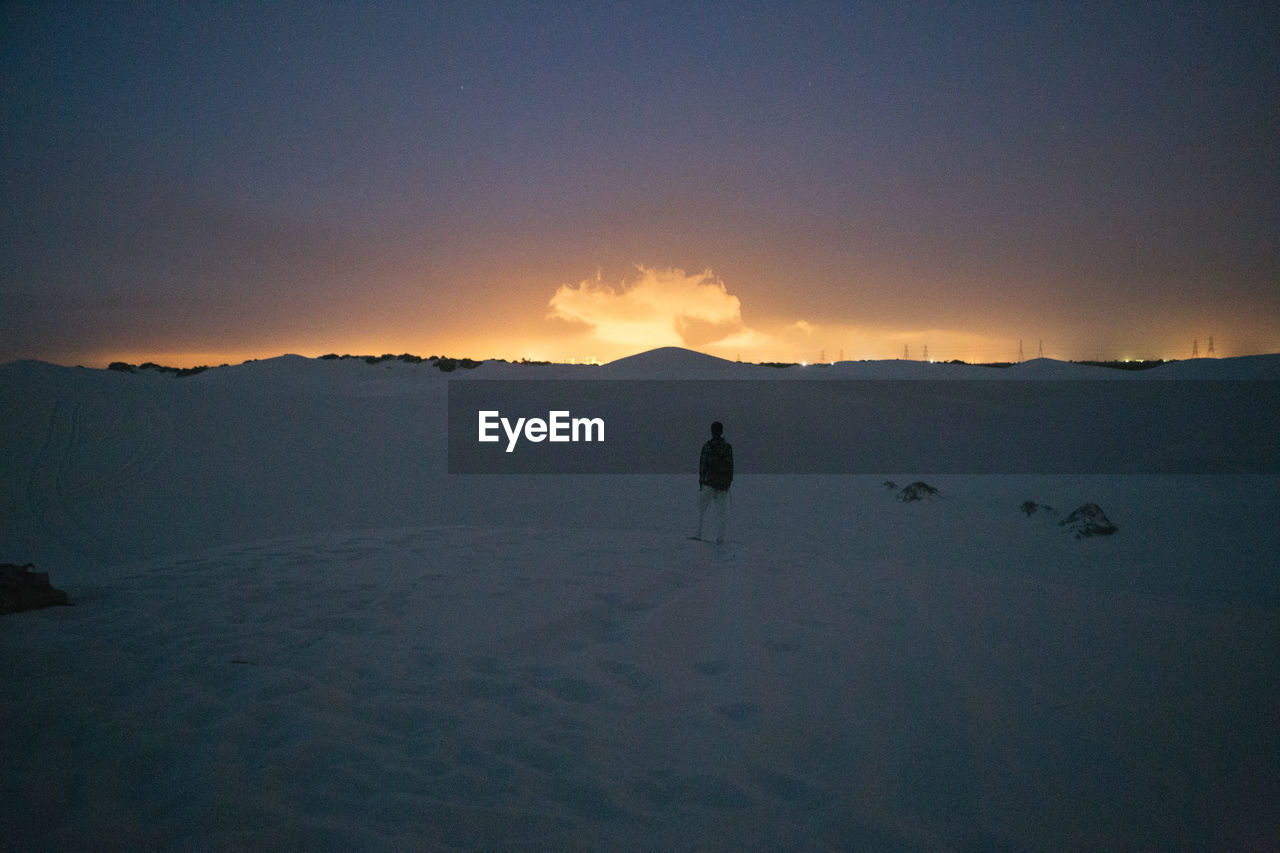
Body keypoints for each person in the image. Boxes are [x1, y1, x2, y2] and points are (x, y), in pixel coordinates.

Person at [694, 421, 733, 543]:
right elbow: (731, 466)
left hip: (709, 484)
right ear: (721, 431)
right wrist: (728, 484)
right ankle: (720, 539)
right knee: (722, 515)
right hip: (722, 485)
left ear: (712, 431)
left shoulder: (707, 446)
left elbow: (703, 466)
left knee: (700, 510)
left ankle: (698, 535)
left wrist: (702, 482)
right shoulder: (727, 447)